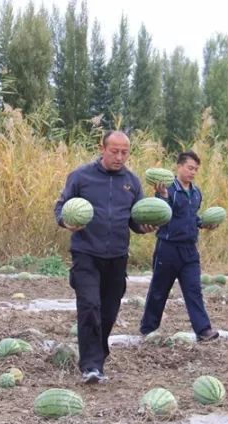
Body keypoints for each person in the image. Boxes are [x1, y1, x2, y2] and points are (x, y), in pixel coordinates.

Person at [55, 130, 156, 384]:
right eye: (115, 151)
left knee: (109, 312)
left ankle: (97, 356)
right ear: (103, 148)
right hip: (86, 253)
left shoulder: (132, 182)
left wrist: (145, 226)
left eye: (124, 152)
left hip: (117, 256)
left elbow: (135, 219)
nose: (120, 157)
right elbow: (61, 206)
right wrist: (66, 221)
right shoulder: (81, 176)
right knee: (89, 306)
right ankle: (90, 365)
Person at [139, 151, 220, 342]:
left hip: (189, 249)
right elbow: (160, 212)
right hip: (167, 247)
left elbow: (192, 217)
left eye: (196, 169)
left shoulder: (196, 192)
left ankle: (203, 330)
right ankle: (148, 328)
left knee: (194, 290)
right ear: (179, 166)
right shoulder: (167, 189)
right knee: (159, 290)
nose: (193, 172)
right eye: (190, 168)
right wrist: (163, 195)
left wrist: (205, 223)